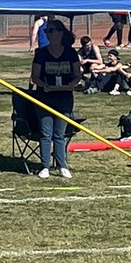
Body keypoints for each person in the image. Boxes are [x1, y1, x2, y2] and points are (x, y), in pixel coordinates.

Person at [30, 18, 82, 178]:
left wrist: (70, 85)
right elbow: (35, 76)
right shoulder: (42, 53)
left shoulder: (70, 52)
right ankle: (44, 166)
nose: (48, 34)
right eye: (47, 31)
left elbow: (77, 75)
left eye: (51, 30)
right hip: (45, 97)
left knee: (60, 134)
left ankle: (62, 165)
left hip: (64, 98)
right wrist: (44, 85)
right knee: (46, 133)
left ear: (60, 33)